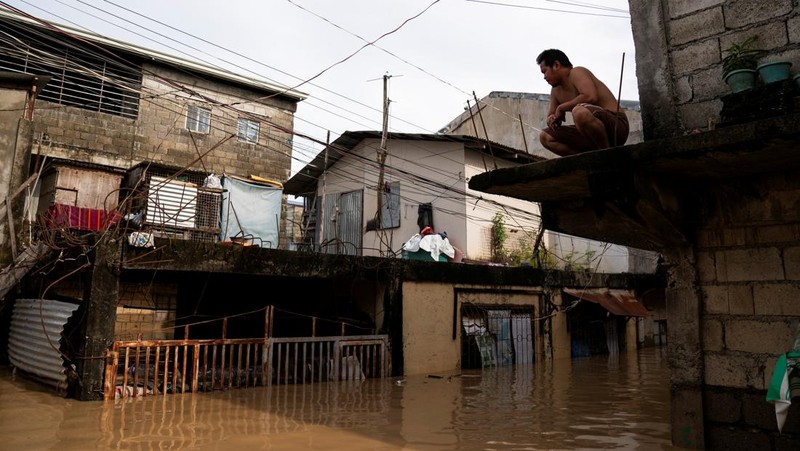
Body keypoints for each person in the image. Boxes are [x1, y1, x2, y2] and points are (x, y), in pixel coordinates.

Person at [536, 49, 629, 156]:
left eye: (545, 71)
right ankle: (587, 158)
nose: (544, 77)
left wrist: (561, 108)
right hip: (589, 135)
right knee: (545, 136)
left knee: (579, 112)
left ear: (556, 65)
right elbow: (551, 115)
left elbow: (590, 96)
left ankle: (606, 156)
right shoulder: (555, 90)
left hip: (616, 127)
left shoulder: (576, 72)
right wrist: (552, 120)